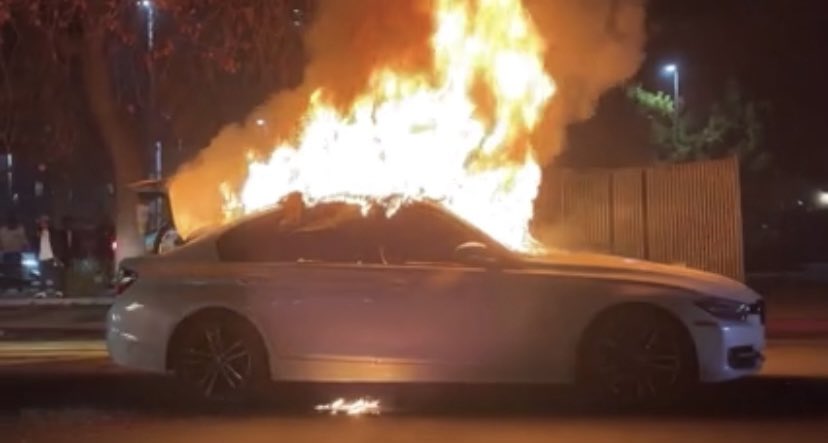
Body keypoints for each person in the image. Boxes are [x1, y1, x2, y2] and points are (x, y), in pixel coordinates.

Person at [33, 215, 64, 298]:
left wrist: (57, 256)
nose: (43, 224)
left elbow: (58, 244)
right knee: (43, 275)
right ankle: (42, 292)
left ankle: (58, 291)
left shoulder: (53, 233)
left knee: (55, 274)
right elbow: (35, 244)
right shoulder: (39, 233)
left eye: (44, 222)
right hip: (42, 256)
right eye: (41, 223)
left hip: (52, 256)